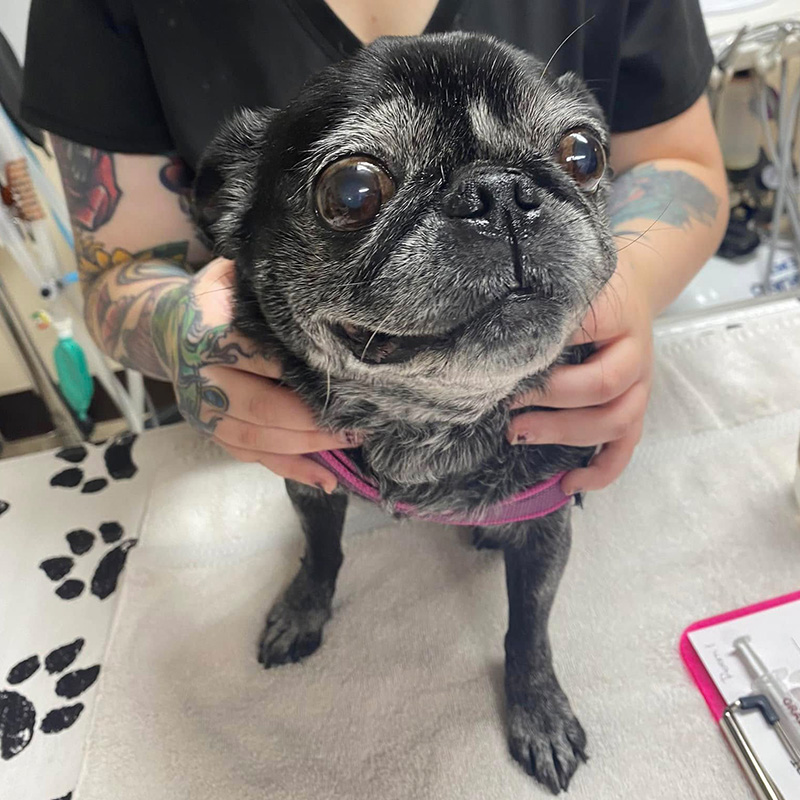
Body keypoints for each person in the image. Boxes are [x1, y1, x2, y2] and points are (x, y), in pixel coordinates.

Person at [22, 0, 728, 495]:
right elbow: (121, 267)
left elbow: (679, 158)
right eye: (355, 192)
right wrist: (188, 330)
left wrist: (628, 283)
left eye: (576, 158)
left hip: (563, 407)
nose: (503, 209)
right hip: (268, 445)